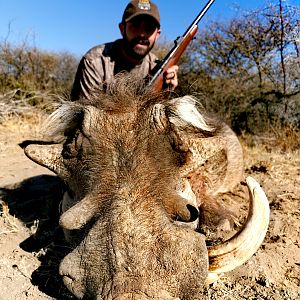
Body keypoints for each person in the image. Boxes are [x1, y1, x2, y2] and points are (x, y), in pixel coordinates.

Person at [70, 0, 178, 101]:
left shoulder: (156, 66)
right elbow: (88, 117)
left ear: (157, 34)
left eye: (149, 28)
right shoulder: (94, 62)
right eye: (135, 25)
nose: (142, 34)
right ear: (122, 28)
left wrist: (165, 94)